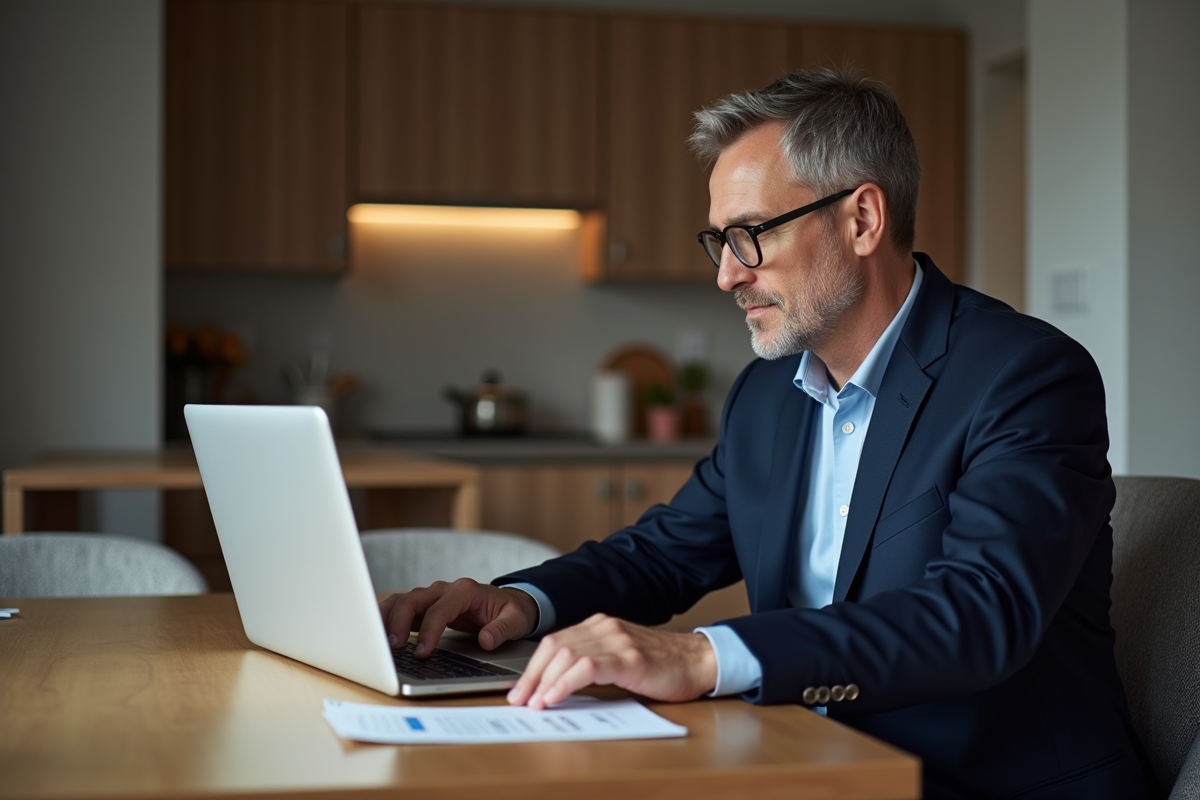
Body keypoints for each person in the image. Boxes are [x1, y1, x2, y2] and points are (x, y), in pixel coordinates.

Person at [380, 69, 1152, 799]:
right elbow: (665, 552)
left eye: (751, 234)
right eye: (718, 240)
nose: (727, 275)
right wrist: (519, 601)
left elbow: (981, 613)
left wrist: (702, 654)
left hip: (979, 782)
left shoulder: (1026, 375)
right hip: (804, 765)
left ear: (862, 219)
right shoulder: (768, 394)